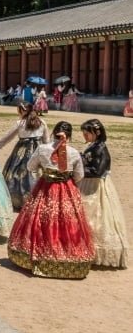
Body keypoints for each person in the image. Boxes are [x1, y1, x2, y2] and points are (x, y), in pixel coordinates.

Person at [7, 121, 95, 279]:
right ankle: (69, 258)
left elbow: (30, 167)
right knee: (67, 222)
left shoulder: (42, 149)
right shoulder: (74, 152)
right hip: (66, 189)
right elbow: (79, 175)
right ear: (69, 136)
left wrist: (46, 167)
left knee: (40, 219)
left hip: (46, 187)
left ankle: (36, 255)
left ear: (54, 133)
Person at [78, 119, 128, 268]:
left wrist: (78, 171)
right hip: (87, 183)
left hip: (96, 186)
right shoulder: (93, 146)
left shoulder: (100, 149)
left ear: (96, 133)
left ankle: (95, 250)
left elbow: (98, 171)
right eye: (84, 133)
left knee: (96, 215)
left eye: (87, 133)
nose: (84, 135)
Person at [0, 102, 50, 211]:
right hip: (38, 151)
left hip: (22, 151)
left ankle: (18, 200)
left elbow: (7, 137)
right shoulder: (42, 122)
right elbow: (46, 141)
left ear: (23, 111)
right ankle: (37, 200)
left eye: (19, 111)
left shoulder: (20, 123)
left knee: (16, 173)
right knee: (37, 175)